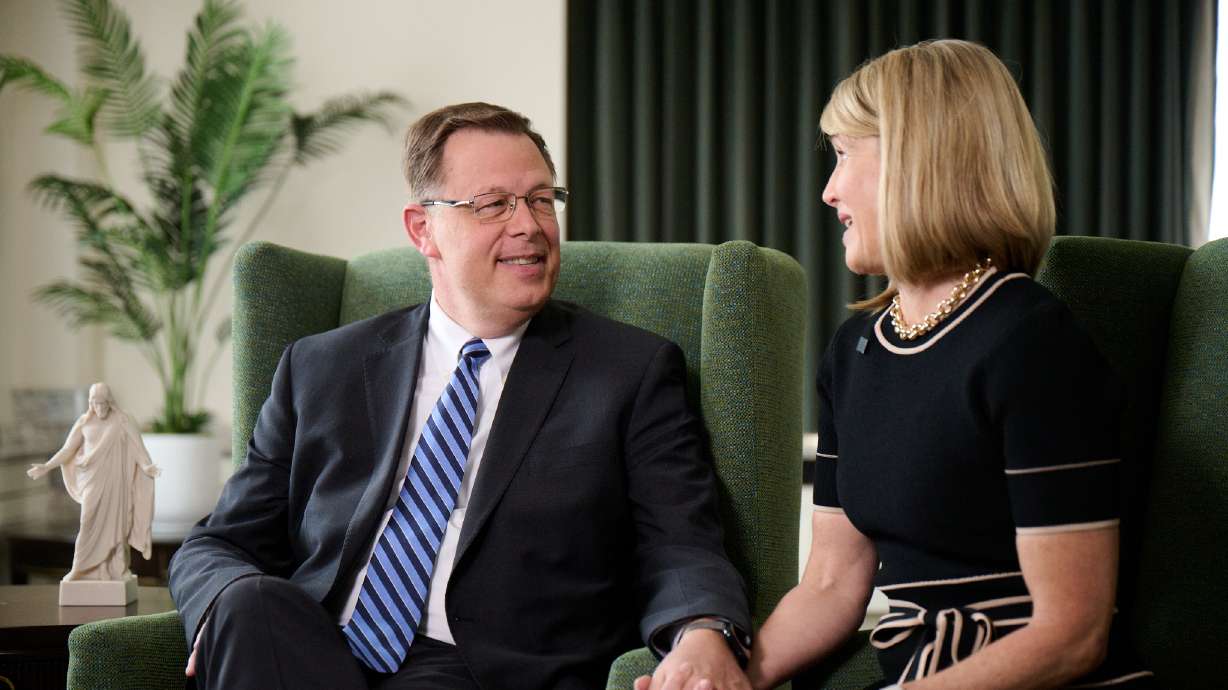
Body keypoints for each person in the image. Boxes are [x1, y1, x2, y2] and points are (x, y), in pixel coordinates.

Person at [168, 102, 751, 690]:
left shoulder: (630, 371)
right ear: (424, 229)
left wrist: (702, 629)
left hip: (480, 666)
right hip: (313, 651)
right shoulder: (322, 367)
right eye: (494, 204)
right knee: (248, 606)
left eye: (542, 199)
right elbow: (221, 541)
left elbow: (679, 541)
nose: (528, 224)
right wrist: (221, 606)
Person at [747, 41, 1153, 689]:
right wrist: (730, 675)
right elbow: (829, 584)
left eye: (845, 154)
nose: (828, 191)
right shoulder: (855, 351)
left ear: (918, 160)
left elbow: (1072, 633)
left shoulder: (1030, 340)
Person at [27, 382, 161, 581]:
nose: (100, 408)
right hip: (92, 481)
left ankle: (117, 569)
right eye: (95, 403)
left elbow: (137, 448)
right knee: (87, 522)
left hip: (116, 483)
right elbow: (67, 450)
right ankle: (80, 568)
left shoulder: (122, 421)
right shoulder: (84, 422)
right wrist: (46, 466)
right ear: (90, 403)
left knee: (117, 526)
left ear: (110, 402)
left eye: (103, 403)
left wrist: (146, 466)